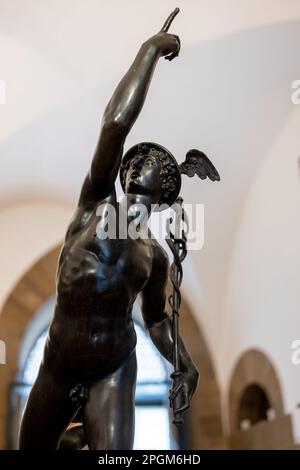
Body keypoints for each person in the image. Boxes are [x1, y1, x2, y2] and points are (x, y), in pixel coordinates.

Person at [19, 9, 199, 450]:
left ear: (166, 194)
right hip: (58, 362)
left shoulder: (153, 255)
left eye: (160, 166)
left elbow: (156, 319)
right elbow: (115, 124)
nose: (151, 166)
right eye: (144, 161)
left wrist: (185, 363)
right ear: (128, 171)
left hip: (115, 367)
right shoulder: (96, 204)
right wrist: (151, 49)